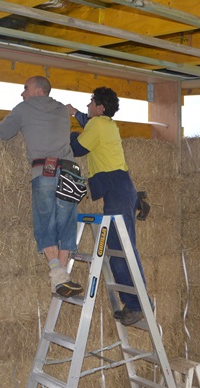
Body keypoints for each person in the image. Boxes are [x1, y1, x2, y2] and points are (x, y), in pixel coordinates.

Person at [0, 75, 82, 298]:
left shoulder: (24, 108)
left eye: (25, 88)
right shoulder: (62, 109)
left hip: (44, 172)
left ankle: (58, 276)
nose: (22, 93)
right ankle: (62, 280)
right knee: (66, 225)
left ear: (39, 90)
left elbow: (1, 133)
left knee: (45, 225)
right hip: (70, 173)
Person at [66, 87, 149, 325]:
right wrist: (75, 115)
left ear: (100, 107)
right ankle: (138, 303)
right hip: (118, 188)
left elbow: (78, 147)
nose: (88, 105)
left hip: (116, 188)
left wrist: (63, 133)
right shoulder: (105, 124)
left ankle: (136, 305)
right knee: (121, 249)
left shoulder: (98, 125)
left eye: (91, 102)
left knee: (121, 250)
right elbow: (88, 123)